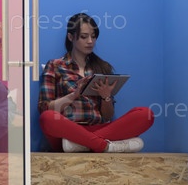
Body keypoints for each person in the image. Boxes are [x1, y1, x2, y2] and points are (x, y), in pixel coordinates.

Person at [38, 12, 153, 153]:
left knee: (145, 114)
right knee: (47, 118)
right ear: (71, 37)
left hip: (99, 128)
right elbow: (45, 109)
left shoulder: (102, 67)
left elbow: (107, 116)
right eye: (84, 37)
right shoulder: (55, 65)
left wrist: (106, 97)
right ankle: (105, 146)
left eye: (93, 36)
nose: (90, 41)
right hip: (69, 131)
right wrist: (73, 95)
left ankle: (84, 144)